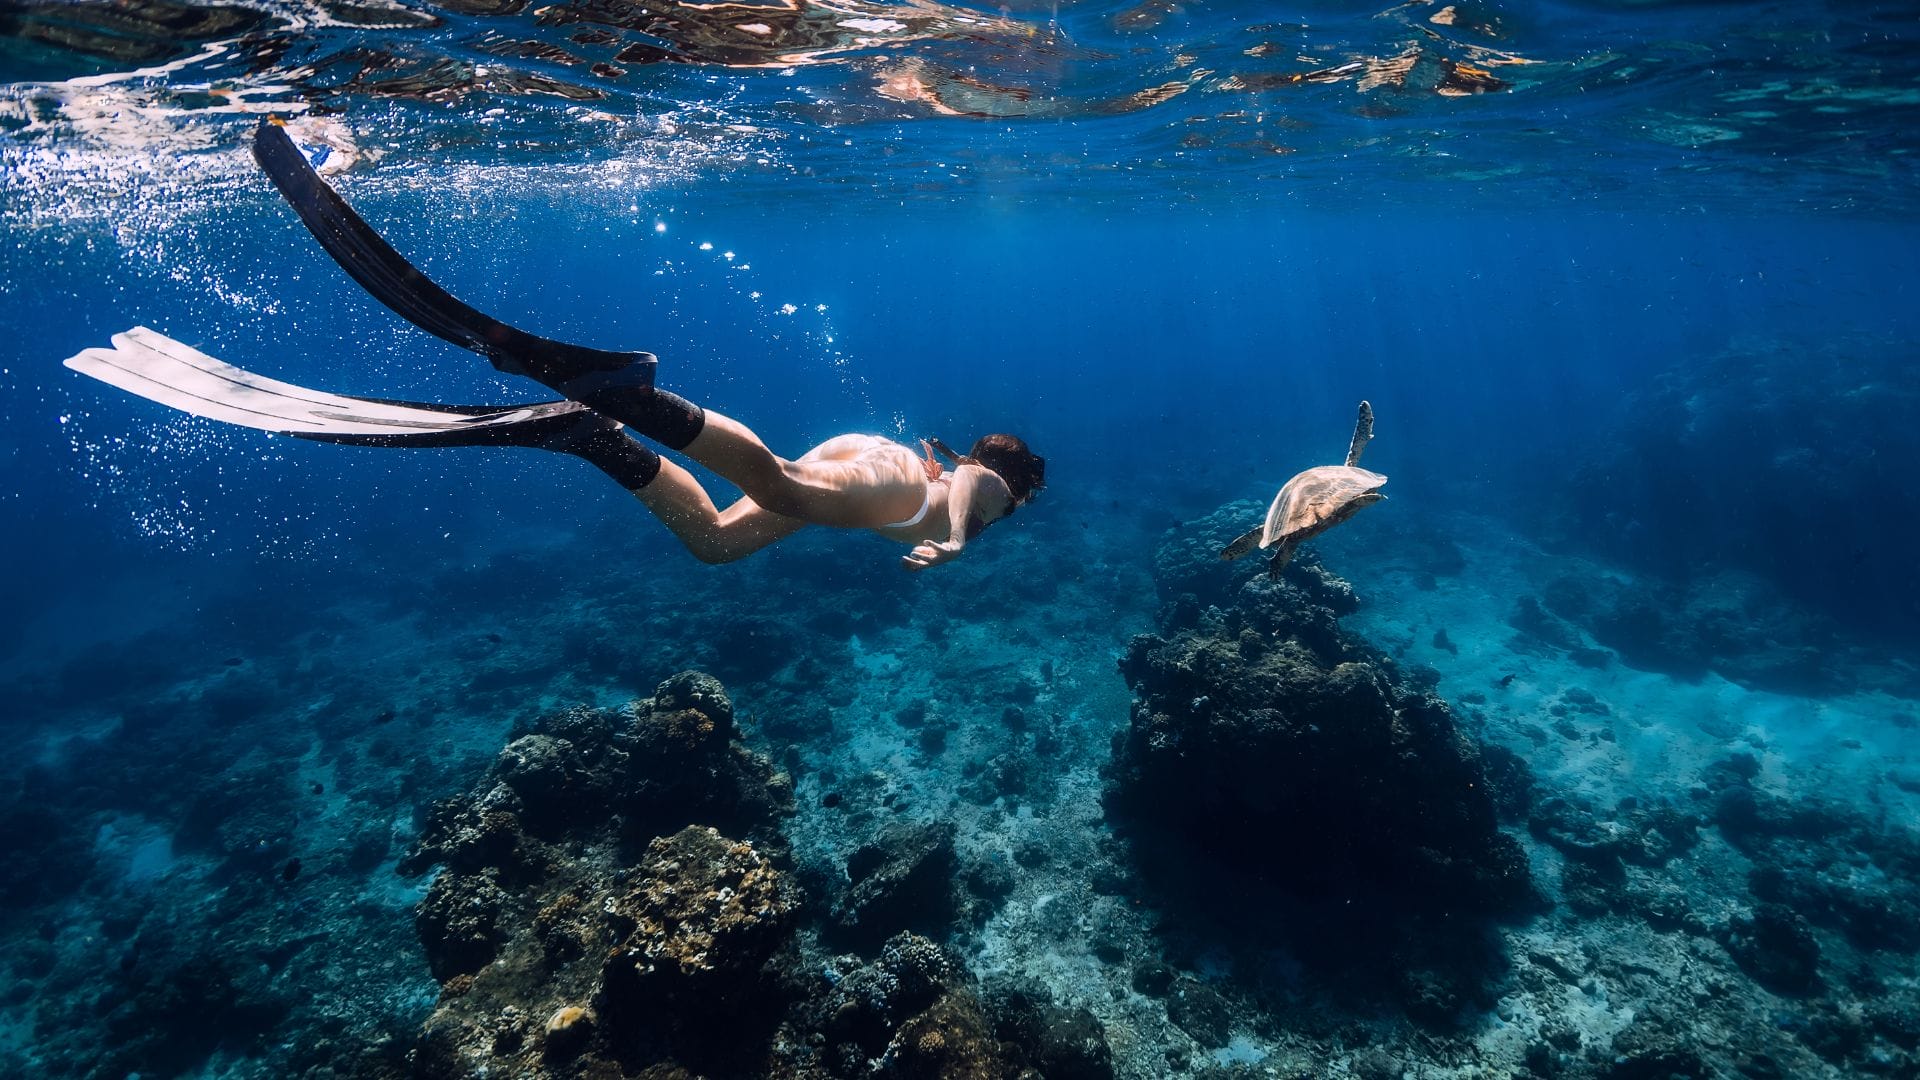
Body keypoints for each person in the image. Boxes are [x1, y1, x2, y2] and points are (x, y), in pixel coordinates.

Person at [65, 121, 1044, 572]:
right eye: (1012, 493)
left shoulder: (947, 464)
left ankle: (589, 431)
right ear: (1014, 480)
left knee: (717, 543)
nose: (1002, 503)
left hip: (870, 465)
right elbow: (971, 491)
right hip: (887, 489)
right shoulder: (984, 491)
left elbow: (956, 477)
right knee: (784, 486)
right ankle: (629, 398)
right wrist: (959, 532)